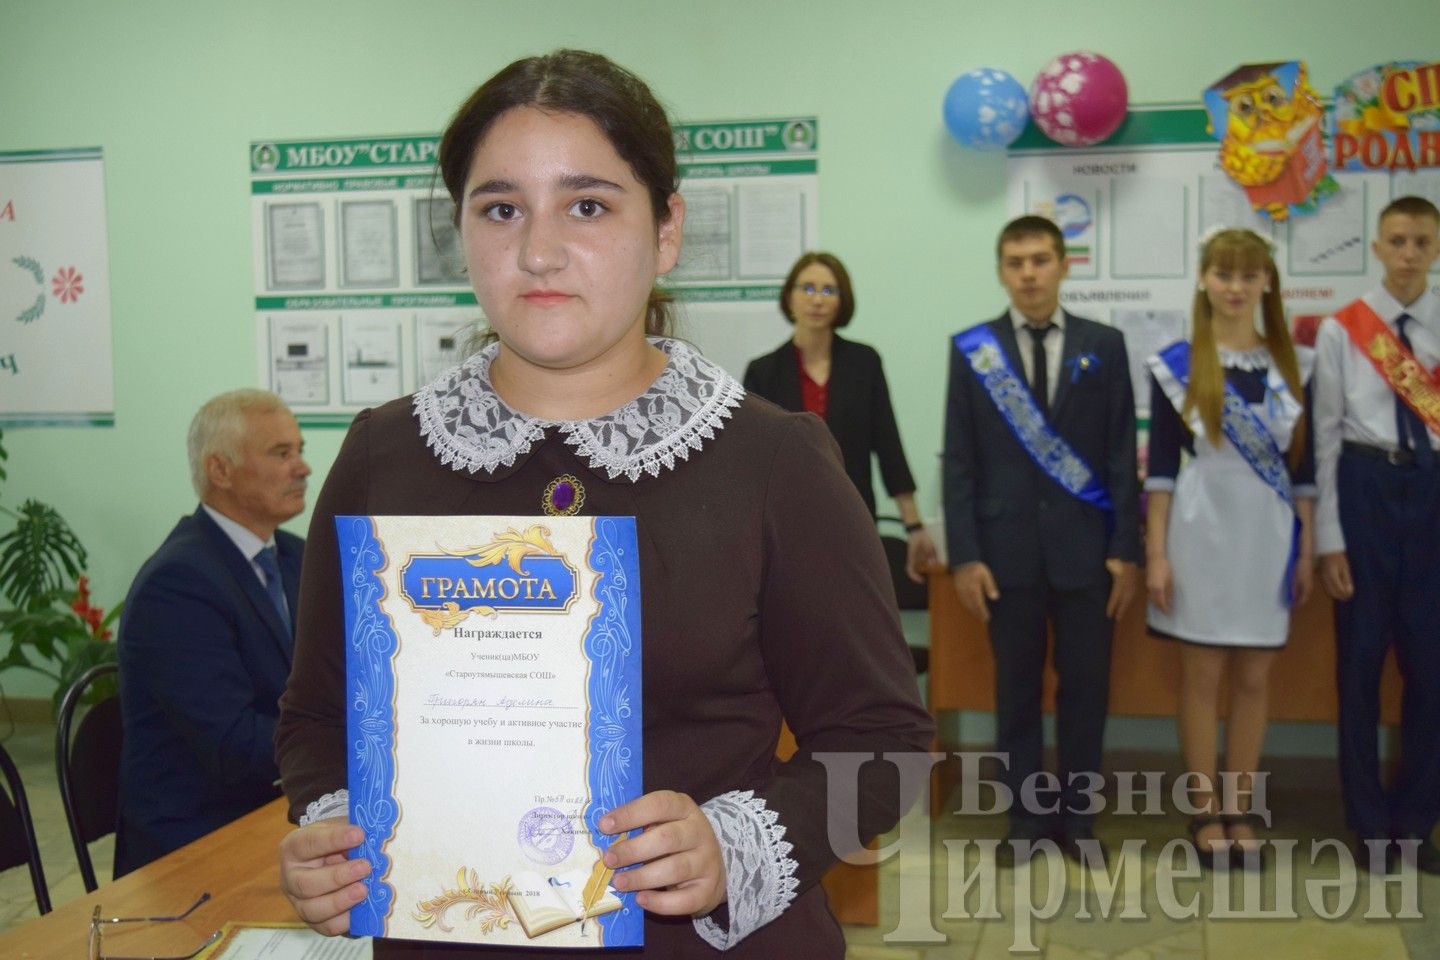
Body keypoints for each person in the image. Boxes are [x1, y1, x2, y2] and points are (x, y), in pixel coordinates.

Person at [274, 50, 933, 958]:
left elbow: (884, 740)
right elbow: (316, 715)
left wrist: (733, 846)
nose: (539, 251)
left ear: (665, 231)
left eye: (588, 205)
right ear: (460, 231)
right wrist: (337, 834)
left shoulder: (772, 460)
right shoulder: (384, 454)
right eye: (500, 208)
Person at [943, 214, 1141, 865]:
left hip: (1088, 554)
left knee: (1087, 692)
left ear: (1063, 266)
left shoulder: (1104, 344)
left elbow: (1118, 456)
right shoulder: (974, 349)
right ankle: (1026, 824)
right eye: (1016, 261)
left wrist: (1126, 548)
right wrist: (966, 556)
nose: (1029, 272)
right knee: (1017, 693)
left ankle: (1079, 824)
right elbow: (961, 460)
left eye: (1040, 259)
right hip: (1006, 558)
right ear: (1002, 270)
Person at [1143, 229, 1315, 868]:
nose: (1236, 287)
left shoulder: (1294, 366)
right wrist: (1156, 552)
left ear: (1267, 282)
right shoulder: (1176, 363)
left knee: (1254, 674)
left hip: (1268, 536)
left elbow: (1305, 470)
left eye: (1248, 275)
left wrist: (1306, 550)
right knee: (1202, 673)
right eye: (1223, 274)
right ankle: (1203, 810)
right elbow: (1159, 470)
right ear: (1204, 280)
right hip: (1198, 530)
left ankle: (1240, 807)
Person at [114, 389, 309, 877]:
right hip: (195, 844)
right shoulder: (178, 584)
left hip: (278, 809)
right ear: (220, 470)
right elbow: (232, 746)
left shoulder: (295, 556)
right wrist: (353, 740)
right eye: (281, 454)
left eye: (300, 450)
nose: (303, 468)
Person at [1314, 195, 1440, 875]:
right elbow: (1327, 437)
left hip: (1434, 497)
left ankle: (1417, 825)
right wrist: (1330, 537)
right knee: (1359, 669)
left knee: (1433, 672)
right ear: (1377, 246)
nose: (1408, 254)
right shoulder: (1344, 329)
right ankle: (1366, 825)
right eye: (1397, 240)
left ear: (1437, 248)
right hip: (1364, 494)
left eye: (1422, 241)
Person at [744, 252, 937, 581]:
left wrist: (914, 524)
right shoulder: (764, 372)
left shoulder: (864, 363)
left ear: (842, 302)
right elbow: (750, 460)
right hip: (785, 519)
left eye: (828, 290)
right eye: (807, 288)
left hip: (853, 514)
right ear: (789, 297)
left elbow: (888, 444)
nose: (817, 300)